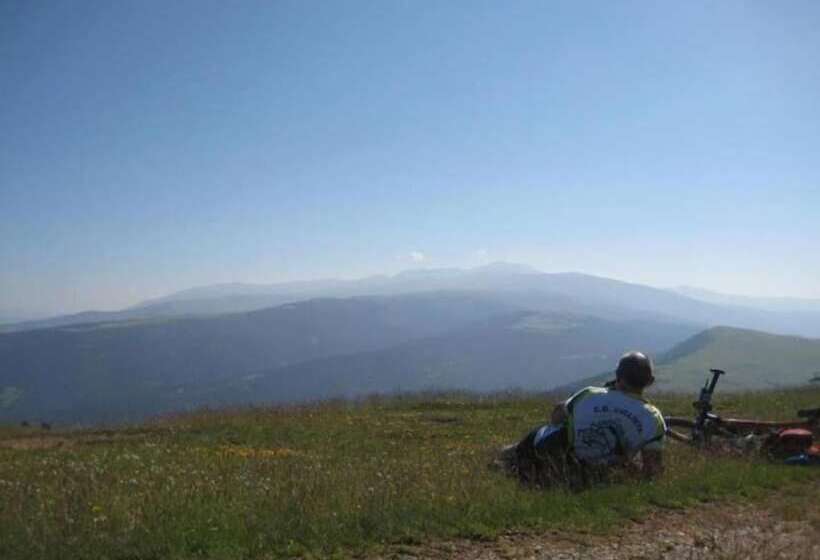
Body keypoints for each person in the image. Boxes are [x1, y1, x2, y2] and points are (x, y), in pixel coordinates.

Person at [508, 351, 666, 486]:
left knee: (529, 444)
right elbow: (652, 471)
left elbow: (556, 417)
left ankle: (508, 461)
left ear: (617, 375)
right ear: (650, 382)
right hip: (596, 476)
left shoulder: (589, 393)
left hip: (546, 457)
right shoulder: (652, 418)